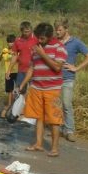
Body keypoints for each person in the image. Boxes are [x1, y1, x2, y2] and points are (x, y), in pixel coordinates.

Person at [18, 23, 67, 157]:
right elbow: (32, 68)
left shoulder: (59, 47)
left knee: (53, 119)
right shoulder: (36, 48)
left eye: (43, 38)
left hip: (52, 89)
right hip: (36, 87)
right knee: (38, 117)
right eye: (38, 38)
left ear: (50, 36)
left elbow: (57, 67)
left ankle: (54, 148)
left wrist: (43, 54)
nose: (39, 41)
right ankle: (38, 144)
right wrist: (23, 84)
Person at [54, 18, 88, 142]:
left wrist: (76, 68)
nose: (57, 32)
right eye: (56, 30)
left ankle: (69, 130)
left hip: (68, 78)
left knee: (67, 104)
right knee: (56, 105)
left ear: (67, 29)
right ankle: (58, 128)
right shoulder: (55, 42)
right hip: (54, 79)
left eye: (60, 30)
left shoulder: (76, 42)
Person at [6, 21, 38, 90]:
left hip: (34, 71)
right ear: (21, 31)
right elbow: (14, 56)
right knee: (19, 91)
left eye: (29, 31)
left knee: (33, 94)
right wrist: (9, 70)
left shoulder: (36, 40)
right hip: (21, 71)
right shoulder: (17, 41)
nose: (27, 33)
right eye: (25, 32)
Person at [0, 34, 17, 116]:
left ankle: (14, 106)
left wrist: (12, 53)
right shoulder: (5, 50)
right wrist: (2, 54)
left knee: (16, 90)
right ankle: (9, 105)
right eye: (9, 42)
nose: (11, 44)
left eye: (12, 42)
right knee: (9, 90)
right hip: (7, 72)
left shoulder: (16, 50)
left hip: (16, 71)